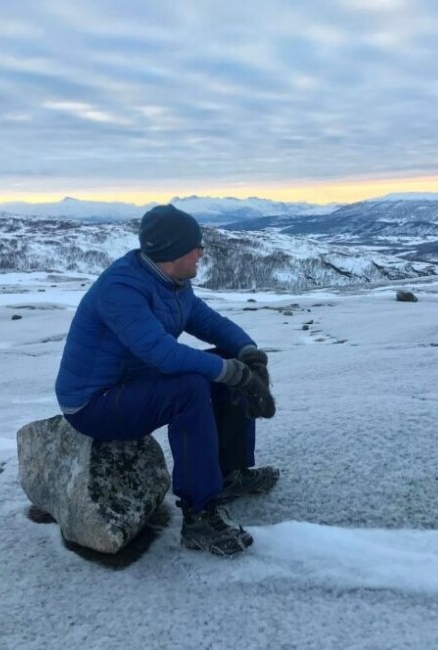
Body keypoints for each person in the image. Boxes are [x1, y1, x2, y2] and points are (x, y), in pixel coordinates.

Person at [55, 204, 277, 557]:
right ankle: (198, 515)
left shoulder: (172, 282)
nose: (201, 252)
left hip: (133, 381)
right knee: (190, 388)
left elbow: (209, 322)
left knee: (223, 363)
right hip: (93, 404)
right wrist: (235, 374)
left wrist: (249, 355)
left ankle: (228, 473)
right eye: (196, 246)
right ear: (175, 251)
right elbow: (162, 353)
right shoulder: (121, 289)